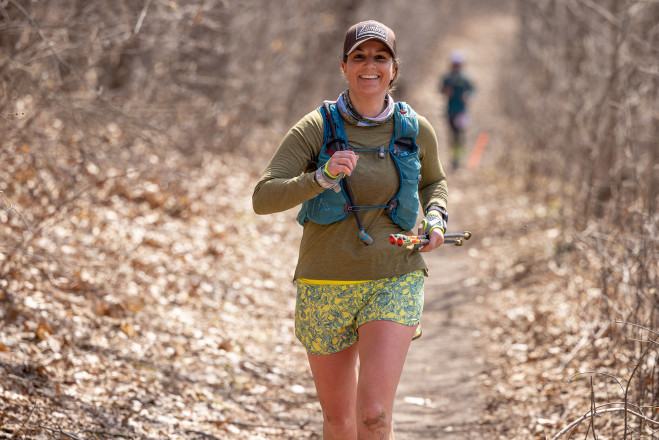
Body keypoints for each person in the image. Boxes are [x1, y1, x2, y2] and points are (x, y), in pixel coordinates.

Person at [253, 20, 448, 439]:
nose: (369, 66)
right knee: (338, 421)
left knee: (374, 414)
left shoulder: (415, 129)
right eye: (359, 57)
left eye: (380, 57)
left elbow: (435, 182)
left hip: (394, 274)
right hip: (325, 279)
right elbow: (263, 197)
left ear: (394, 68)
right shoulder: (315, 127)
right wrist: (320, 178)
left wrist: (436, 217)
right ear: (344, 67)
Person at [440, 50, 475, 170]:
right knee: (452, 135)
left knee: (459, 136)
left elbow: (472, 90)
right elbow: (441, 90)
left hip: (461, 112)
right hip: (450, 111)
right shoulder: (448, 79)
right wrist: (446, 91)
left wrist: (467, 96)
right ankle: (453, 158)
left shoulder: (465, 79)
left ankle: (458, 159)